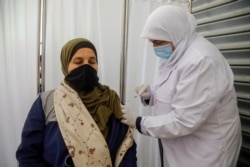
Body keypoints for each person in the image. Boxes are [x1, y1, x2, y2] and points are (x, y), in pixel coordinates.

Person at [120, 4, 242, 167]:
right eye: (152, 42)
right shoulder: (177, 50)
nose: (155, 47)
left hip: (205, 151)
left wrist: (139, 122)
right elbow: (176, 90)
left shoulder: (201, 61)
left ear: (174, 32)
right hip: (183, 145)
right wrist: (152, 95)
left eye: (158, 41)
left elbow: (184, 120)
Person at [16, 38, 137, 167]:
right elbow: (28, 154)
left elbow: (126, 147)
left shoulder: (111, 100)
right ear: (65, 65)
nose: (86, 66)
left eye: (92, 61)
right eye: (78, 62)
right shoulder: (47, 101)